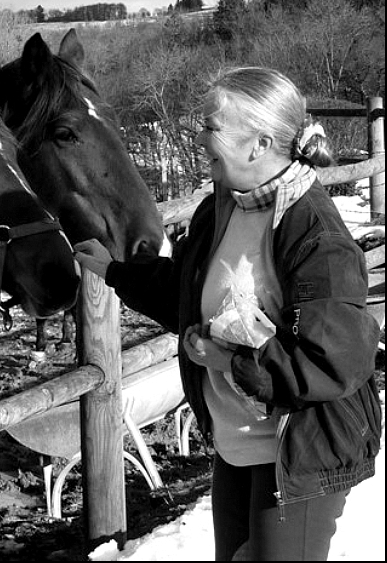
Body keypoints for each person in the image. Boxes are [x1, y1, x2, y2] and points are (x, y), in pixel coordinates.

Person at [74, 66, 381, 562]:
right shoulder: (221, 208)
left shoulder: (317, 236)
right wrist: (115, 272)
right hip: (235, 443)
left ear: (259, 144)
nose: (200, 138)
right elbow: (188, 291)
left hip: (300, 451)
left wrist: (228, 362)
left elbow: (333, 363)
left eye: (211, 128)